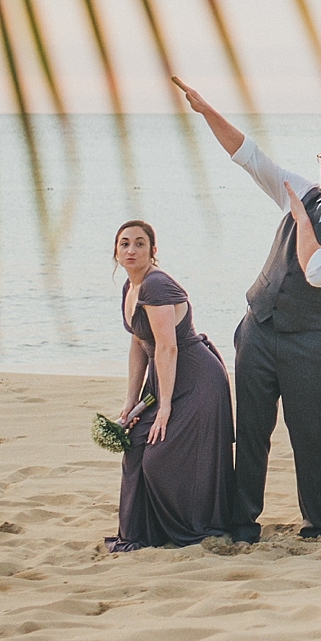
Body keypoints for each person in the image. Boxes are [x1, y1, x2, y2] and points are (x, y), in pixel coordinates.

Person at [172, 77, 321, 542]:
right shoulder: (302, 190)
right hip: (258, 329)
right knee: (251, 431)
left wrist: (303, 220)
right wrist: (207, 111)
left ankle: (317, 523)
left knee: (308, 436)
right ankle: (243, 522)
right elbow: (250, 157)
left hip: (307, 341)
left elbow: (319, 272)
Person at [105, 220, 234, 550]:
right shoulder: (130, 288)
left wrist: (164, 407)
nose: (131, 250)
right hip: (164, 376)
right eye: (124, 244)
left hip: (196, 380)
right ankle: (141, 533)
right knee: (134, 443)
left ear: (153, 251)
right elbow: (139, 345)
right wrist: (130, 403)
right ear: (116, 251)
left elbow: (166, 347)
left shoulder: (156, 286)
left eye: (139, 244)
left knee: (158, 456)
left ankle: (190, 526)